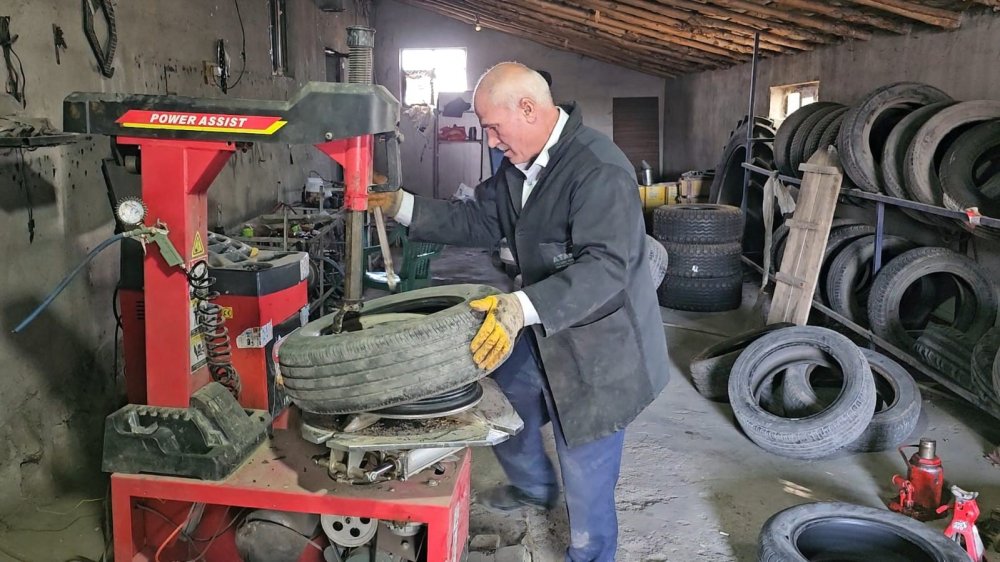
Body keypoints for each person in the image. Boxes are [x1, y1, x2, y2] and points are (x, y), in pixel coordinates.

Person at [369, 62, 669, 562]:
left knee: (586, 471)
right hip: (544, 327)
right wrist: (400, 204)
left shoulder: (597, 169)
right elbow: (479, 219)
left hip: (600, 346)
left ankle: (590, 554)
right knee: (501, 397)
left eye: (492, 126)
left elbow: (607, 270)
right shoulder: (520, 168)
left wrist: (519, 305)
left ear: (527, 109)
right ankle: (533, 485)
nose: (490, 140)